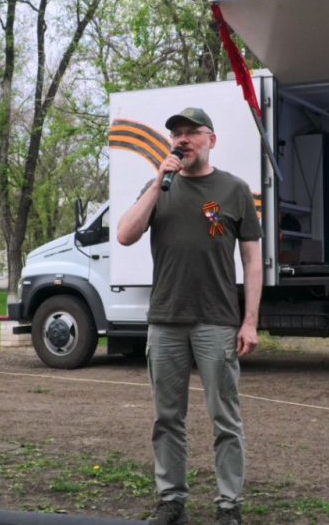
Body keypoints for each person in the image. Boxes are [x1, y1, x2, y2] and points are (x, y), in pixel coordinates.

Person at [117, 107, 262, 525]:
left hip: (216, 320)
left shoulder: (234, 190)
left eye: (191, 133)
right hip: (165, 319)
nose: (182, 140)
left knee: (225, 418)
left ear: (210, 140)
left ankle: (228, 506)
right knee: (167, 418)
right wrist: (158, 185)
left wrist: (249, 320)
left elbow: (252, 260)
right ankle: (171, 501)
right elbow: (126, 235)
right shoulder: (158, 187)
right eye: (176, 134)